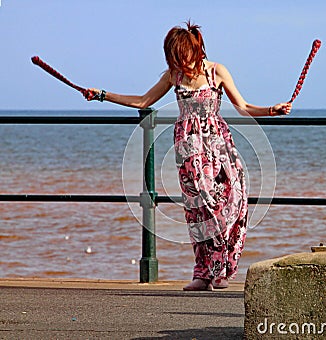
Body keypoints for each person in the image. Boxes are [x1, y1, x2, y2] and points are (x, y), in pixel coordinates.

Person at [85, 21, 292, 291]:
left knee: (233, 203)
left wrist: (272, 110)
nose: (179, 60)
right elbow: (143, 101)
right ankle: (204, 273)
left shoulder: (216, 71)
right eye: (174, 56)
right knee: (199, 211)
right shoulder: (174, 76)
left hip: (219, 146)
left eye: (182, 55)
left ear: (194, 49)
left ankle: (219, 270)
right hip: (188, 151)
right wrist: (102, 95)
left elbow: (243, 107)